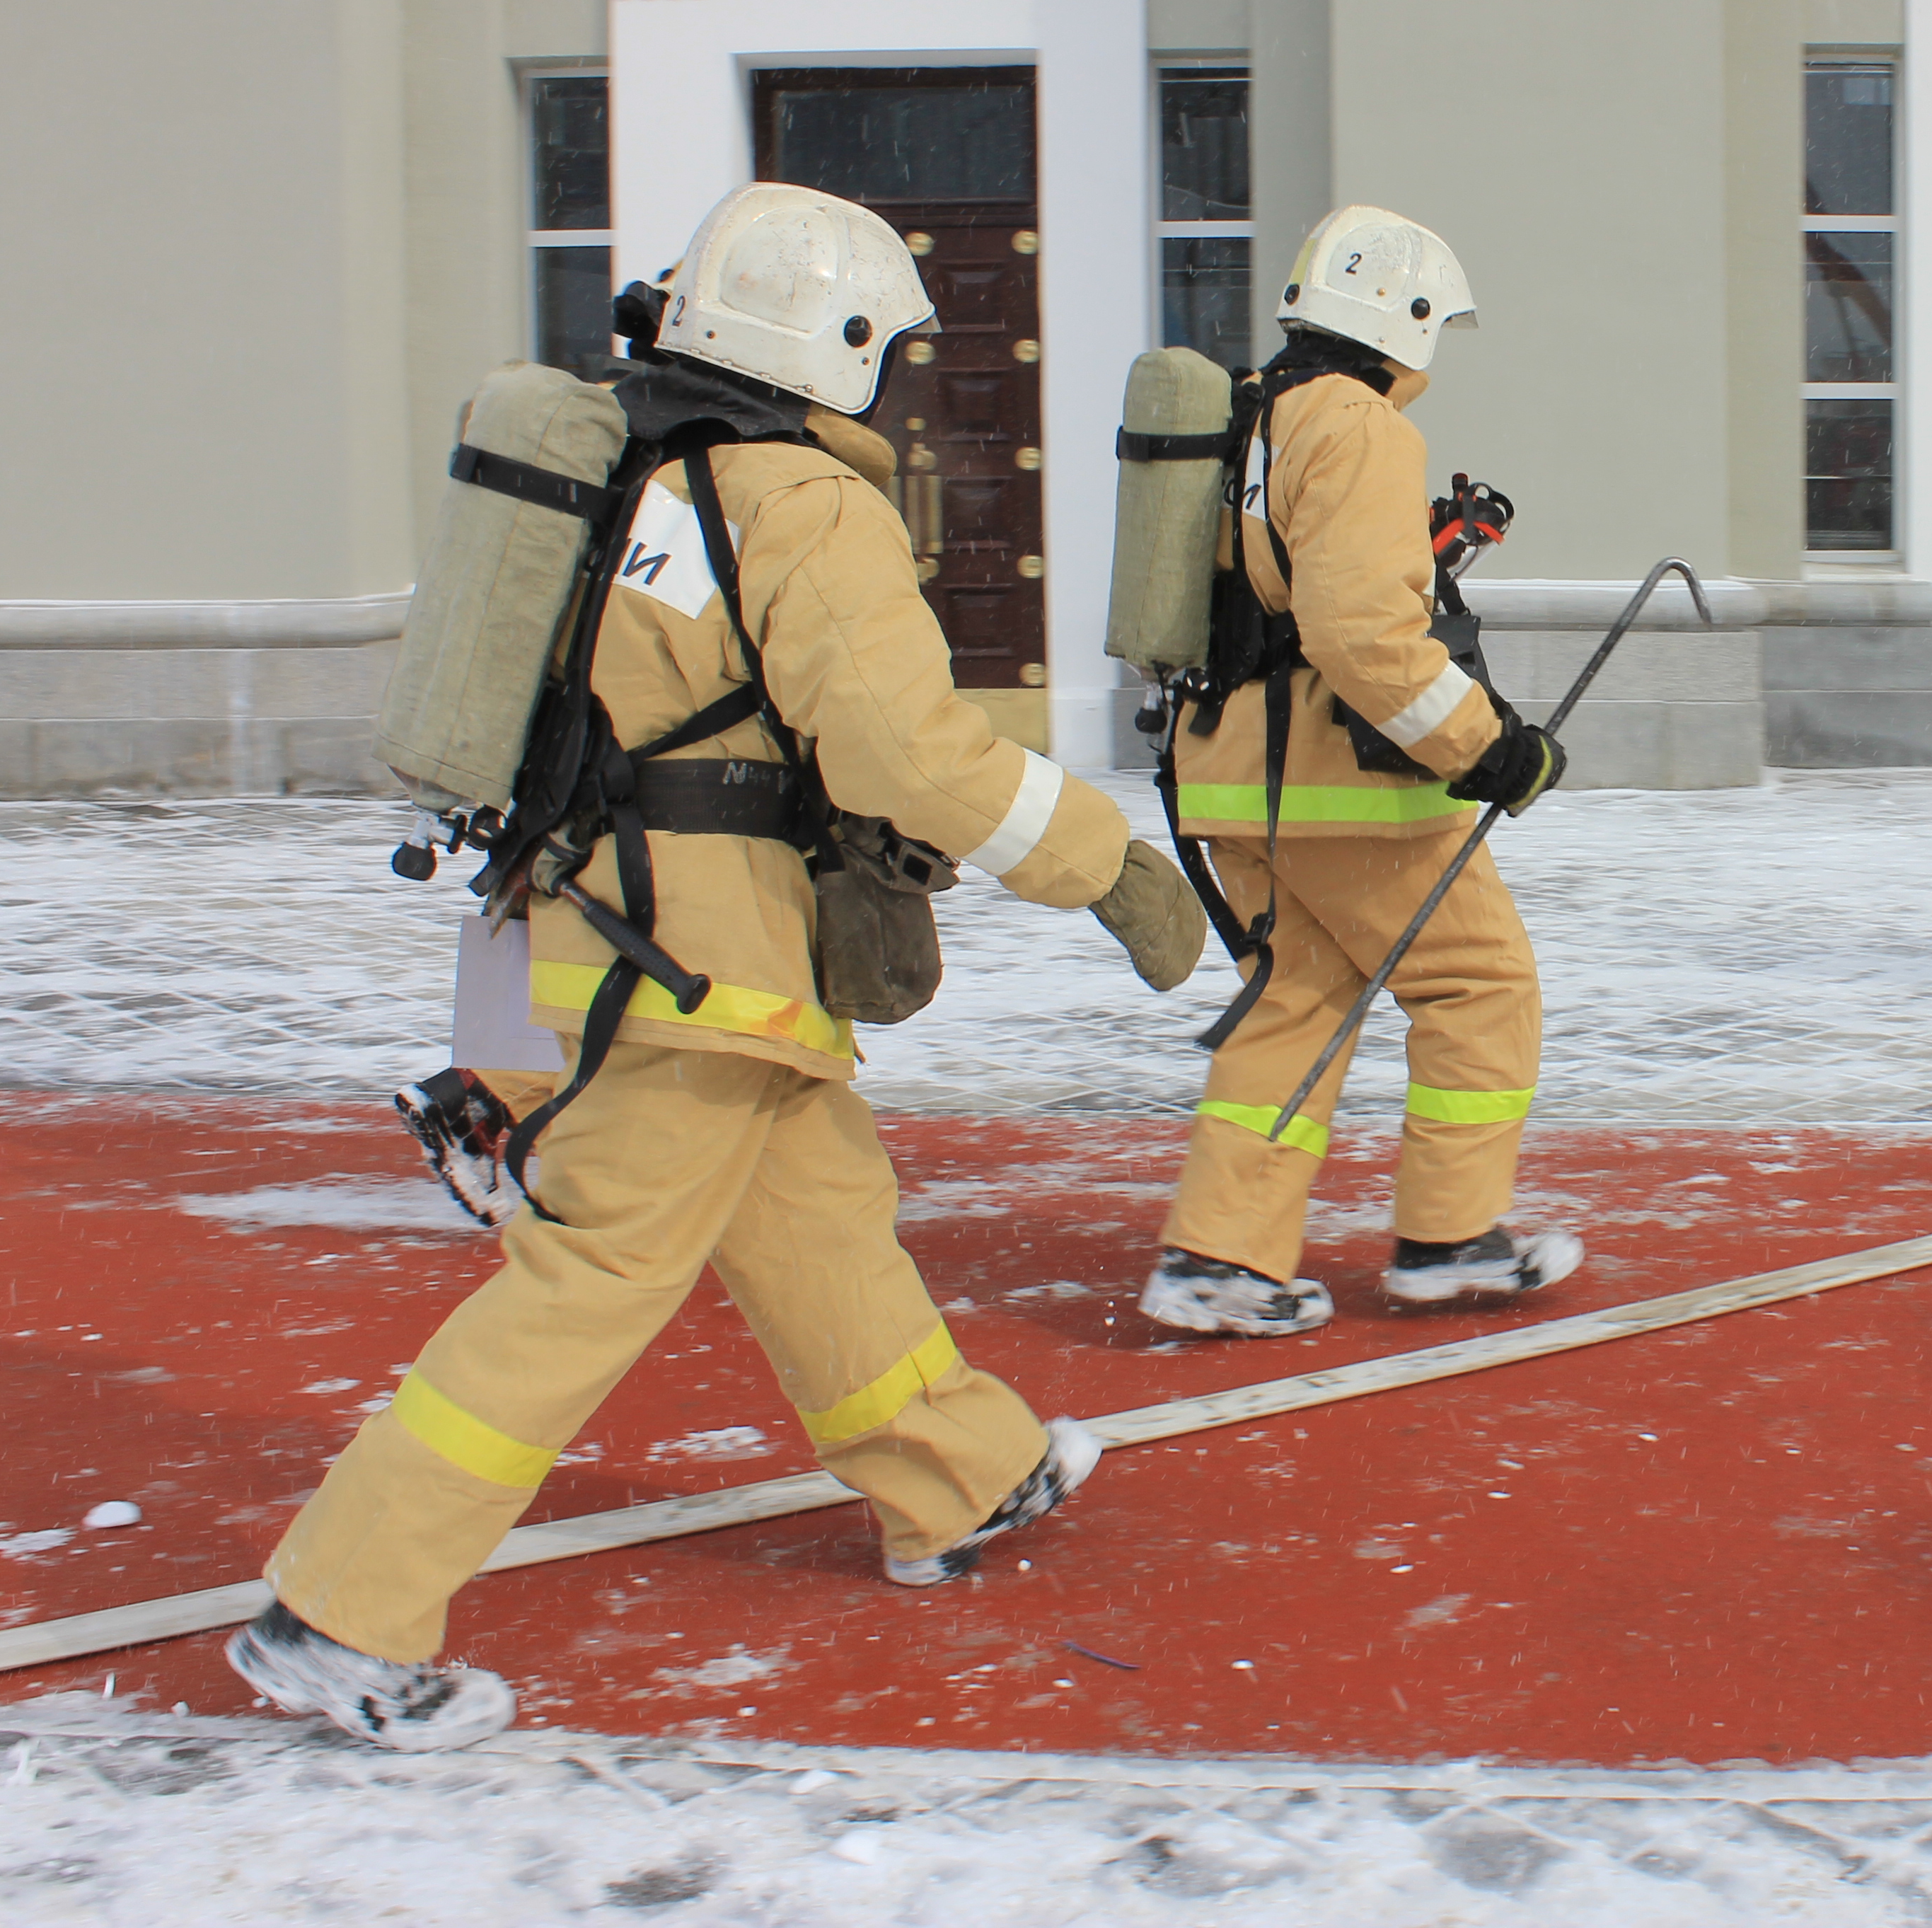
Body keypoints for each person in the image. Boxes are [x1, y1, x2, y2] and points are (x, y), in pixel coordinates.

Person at [231, 183, 1205, 1752]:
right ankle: (339, 1615)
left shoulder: (632, 471)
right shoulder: (799, 501)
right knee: (590, 1278)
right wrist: (1106, 866)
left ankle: (956, 1480)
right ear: (828, 349)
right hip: (697, 963)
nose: (893, 383)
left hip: (607, 935)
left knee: (820, 1217)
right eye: (884, 351)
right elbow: (900, 748)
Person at [1142, 204, 1578, 1338]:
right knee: (1481, 985)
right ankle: (1450, 1240)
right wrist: (1494, 748)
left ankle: (1217, 1262)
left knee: (1295, 1001)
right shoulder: (1361, 425)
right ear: (1410, 318)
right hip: (1340, 788)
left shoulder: (1256, 413)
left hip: (1227, 773)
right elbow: (1364, 640)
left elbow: (1279, 595)